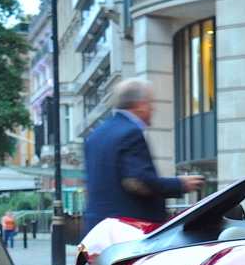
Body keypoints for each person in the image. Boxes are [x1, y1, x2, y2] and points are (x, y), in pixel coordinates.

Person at [83, 78, 204, 232]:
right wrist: (180, 184)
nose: (153, 109)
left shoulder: (96, 134)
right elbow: (139, 180)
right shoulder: (130, 132)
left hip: (98, 227)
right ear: (139, 105)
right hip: (129, 228)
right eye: (150, 103)